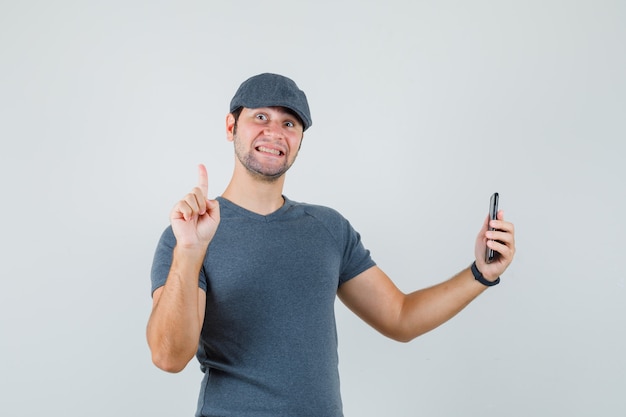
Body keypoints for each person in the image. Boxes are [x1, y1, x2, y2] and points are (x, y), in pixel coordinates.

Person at [147, 73, 516, 417]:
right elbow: (168, 356)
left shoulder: (327, 229)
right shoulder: (188, 235)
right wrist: (190, 253)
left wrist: (480, 274)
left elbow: (401, 317)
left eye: (289, 123)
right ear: (231, 126)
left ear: (300, 139)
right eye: (260, 117)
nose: (275, 132)